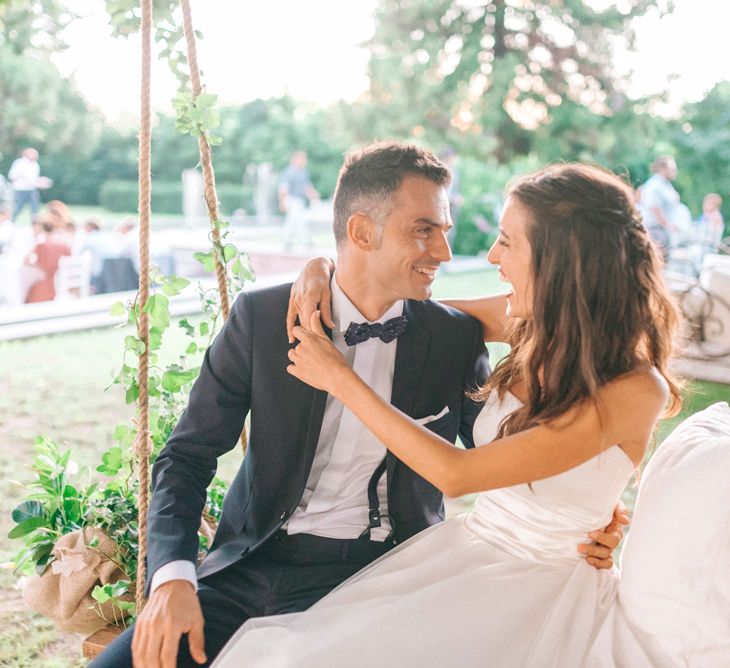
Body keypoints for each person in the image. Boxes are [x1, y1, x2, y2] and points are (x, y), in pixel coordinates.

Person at [91, 144, 620, 668]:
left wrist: (585, 513)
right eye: (424, 230)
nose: (444, 253)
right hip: (248, 564)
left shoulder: (453, 339)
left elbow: (501, 451)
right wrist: (173, 579)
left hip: (381, 577)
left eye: (445, 231)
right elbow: (186, 457)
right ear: (363, 232)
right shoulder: (261, 319)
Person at [212, 163, 681, 667]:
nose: (491, 255)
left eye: (507, 241)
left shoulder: (635, 390)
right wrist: (325, 268)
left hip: (538, 592)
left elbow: (456, 475)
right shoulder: (531, 321)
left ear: (561, 258)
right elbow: (386, 309)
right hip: (464, 556)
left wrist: (340, 379)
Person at [278, 150, 319, 249]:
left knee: (293, 221)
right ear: (296, 159)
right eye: (302, 159)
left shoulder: (303, 172)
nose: (305, 161)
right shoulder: (290, 172)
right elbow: (283, 188)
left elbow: (306, 187)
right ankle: (305, 241)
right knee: (298, 220)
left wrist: (313, 195)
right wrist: (282, 202)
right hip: (291, 200)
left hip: (299, 200)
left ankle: (287, 241)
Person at [24, 218, 72, 303]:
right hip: (59, 283)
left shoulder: (41, 246)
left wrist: (36, 266)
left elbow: (26, 260)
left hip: (44, 285)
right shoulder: (64, 245)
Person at [8, 148, 41, 222]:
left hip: (32, 189)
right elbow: (12, 176)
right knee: (18, 207)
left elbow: (34, 178)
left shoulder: (35, 165)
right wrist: (24, 178)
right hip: (20, 189)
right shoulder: (19, 163)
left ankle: (35, 223)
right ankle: (10, 222)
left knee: (35, 208)